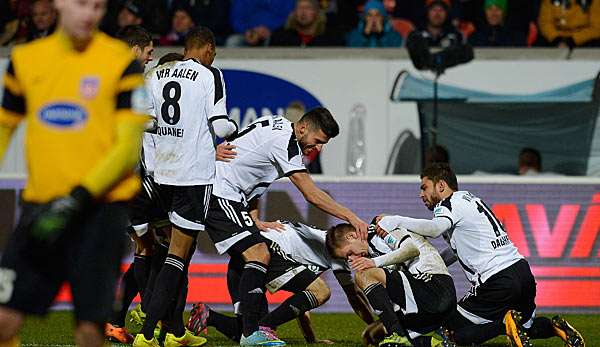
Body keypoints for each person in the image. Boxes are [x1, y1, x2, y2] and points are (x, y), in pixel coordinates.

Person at [0, 0, 148, 345]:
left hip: (100, 211)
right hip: (43, 209)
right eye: (81, 4)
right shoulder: (25, 60)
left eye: (97, 7)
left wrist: (78, 196)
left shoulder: (122, 63)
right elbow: (5, 127)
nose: (89, 15)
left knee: (88, 329)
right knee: (4, 319)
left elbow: (127, 148)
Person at [204, 108, 369, 346]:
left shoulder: (276, 124)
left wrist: (254, 219)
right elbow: (311, 194)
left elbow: (250, 171)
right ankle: (251, 334)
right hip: (221, 193)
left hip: (226, 194)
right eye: (318, 141)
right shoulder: (286, 144)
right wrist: (351, 216)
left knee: (248, 257)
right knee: (259, 254)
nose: (318, 148)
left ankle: (187, 320)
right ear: (302, 129)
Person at [376, 163, 585, 346]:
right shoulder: (471, 200)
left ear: (441, 185)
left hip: (497, 280)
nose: (421, 194)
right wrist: (433, 266)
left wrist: (396, 220)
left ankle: (503, 325)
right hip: (522, 272)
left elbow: (434, 229)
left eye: (424, 187)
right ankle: (556, 328)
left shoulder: (448, 204)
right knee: (525, 328)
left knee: (450, 330)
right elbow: (456, 251)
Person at [132, 26, 237, 347]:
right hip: (191, 176)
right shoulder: (210, 75)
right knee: (179, 255)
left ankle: (175, 331)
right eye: (213, 52)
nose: (213, 57)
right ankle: (147, 334)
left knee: (164, 253)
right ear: (207, 48)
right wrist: (233, 129)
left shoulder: (157, 74)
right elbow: (220, 125)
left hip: (157, 173)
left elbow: (144, 120)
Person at [187, 221, 374, 344]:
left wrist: (311, 339)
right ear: (351, 236)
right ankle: (263, 327)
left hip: (245, 257)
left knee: (247, 332)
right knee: (321, 292)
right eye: (350, 254)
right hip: (267, 250)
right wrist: (375, 326)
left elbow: (302, 301)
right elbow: (354, 296)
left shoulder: (334, 253)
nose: (353, 259)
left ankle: (209, 316)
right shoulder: (330, 245)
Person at [104, 24, 155, 344]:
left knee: (147, 248)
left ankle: (118, 320)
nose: (150, 59)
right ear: (135, 49)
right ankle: (150, 317)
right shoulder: (121, 80)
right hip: (123, 180)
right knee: (149, 249)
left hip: (124, 178)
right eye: (149, 52)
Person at [326, 221, 456, 347]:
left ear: (352, 236)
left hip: (434, 288)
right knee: (371, 335)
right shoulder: (371, 252)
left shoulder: (382, 229)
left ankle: (398, 335)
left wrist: (374, 263)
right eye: (347, 259)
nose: (351, 259)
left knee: (362, 275)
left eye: (349, 253)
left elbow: (411, 250)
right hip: (425, 297)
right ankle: (433, 340)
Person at [269, 0, 345, 47]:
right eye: (299, 8)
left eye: (308, 8)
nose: (303, 12)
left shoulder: (332, 38)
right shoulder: (280, 36)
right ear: (294, 13)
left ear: (317, 13)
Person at [227, 0, 295, 46]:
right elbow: (236, 19)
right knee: (232, 42)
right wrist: (247, 30)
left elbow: (289, 18)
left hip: (275, 33)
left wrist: (271, 30)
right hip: (247, 33)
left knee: (280, 40)